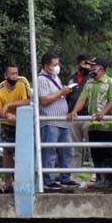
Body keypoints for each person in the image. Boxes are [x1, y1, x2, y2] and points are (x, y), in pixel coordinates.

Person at [68, 56, 112, 188]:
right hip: (93, 125)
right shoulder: (89, 83)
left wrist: (103, 113)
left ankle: (109, 180)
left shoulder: (111, 82)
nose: (90, 68)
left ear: (100, 68)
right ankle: (99, 179)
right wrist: (75, 111)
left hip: (107, 126)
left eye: (92, 66)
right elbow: (82, 99)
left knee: (108, 153)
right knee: (96, 153)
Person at [37, 53, 77, 190]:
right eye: (54, 64)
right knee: (50, 152)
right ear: (46, 66)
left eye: (57, 64)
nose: (57, 67)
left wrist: (65, 91)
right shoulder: (41, 80)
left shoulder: (56, 78)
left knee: (66, 151)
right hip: (50, 120)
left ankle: (65, 177)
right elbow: (44, 100)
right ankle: (49, 180)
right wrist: (61, 92)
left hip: (62, 121)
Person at [0, 64, 32, 191]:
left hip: (23, 123)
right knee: (8, 152)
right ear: (5, 76)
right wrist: (6, 114)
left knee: (24, 151)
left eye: (16, 73)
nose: (15, 76)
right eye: (12, 74)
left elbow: (27, 100)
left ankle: (24, 181)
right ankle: (8, 182)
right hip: (7, 124)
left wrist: (9, 105)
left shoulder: (22, 82)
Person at [66, 54, 93, 181]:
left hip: (89, 116)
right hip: (73, 117)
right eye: (84, 63)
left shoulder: (93, 78)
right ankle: (73, 176)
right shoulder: (71, 79)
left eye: (89, 64)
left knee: (92, 147)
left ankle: (95, 175)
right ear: (78, 65)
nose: (87, 66)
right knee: (74, 149)